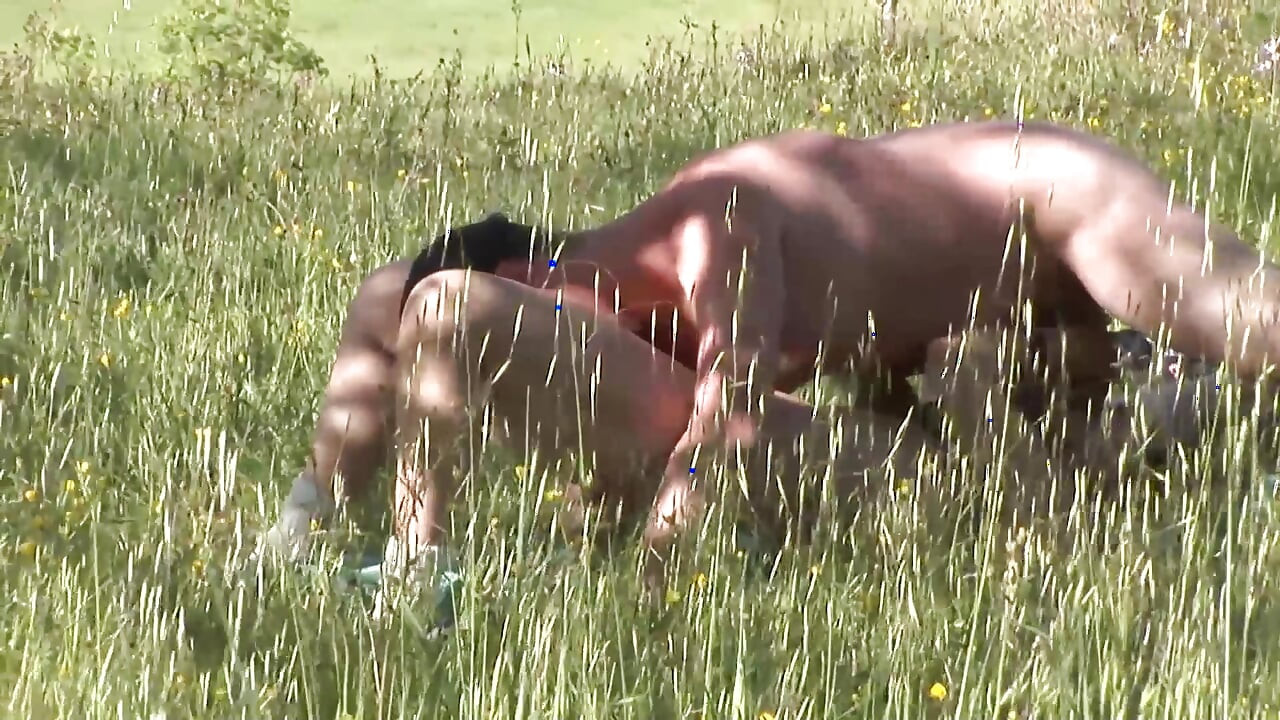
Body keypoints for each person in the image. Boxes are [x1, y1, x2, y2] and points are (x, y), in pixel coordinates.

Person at [266, 120, 1279, 590]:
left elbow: (731, 416)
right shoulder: (640, 309)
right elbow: (389, 310)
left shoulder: (713, 224)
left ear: (541, 278)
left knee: (1243, 326)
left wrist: (654, 583)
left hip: (1045, 196)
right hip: (960, 336)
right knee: (1132, 416)